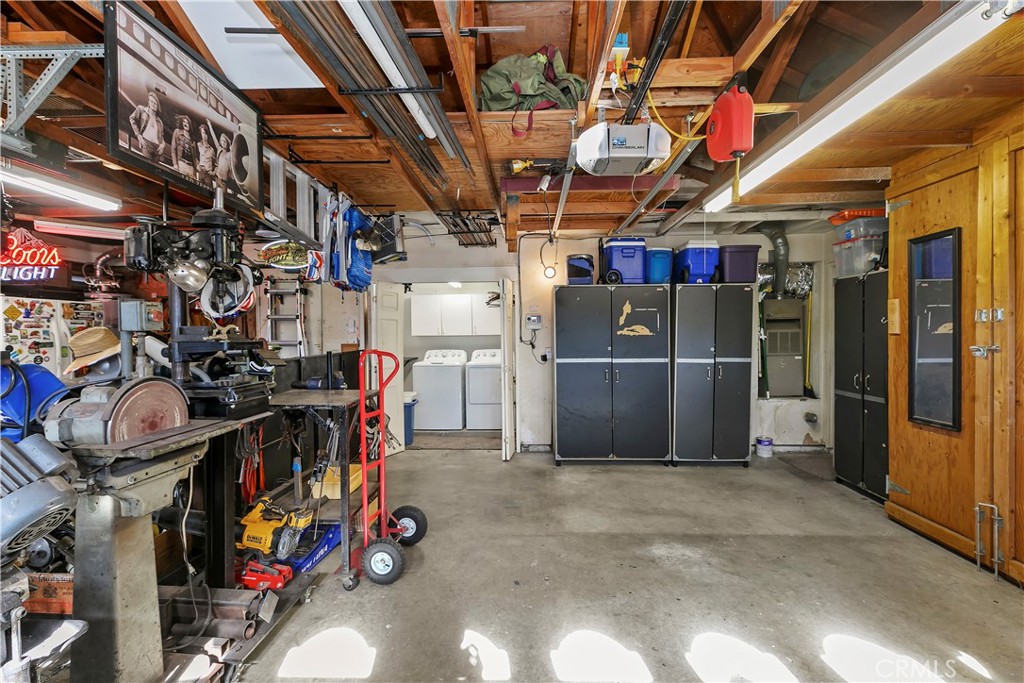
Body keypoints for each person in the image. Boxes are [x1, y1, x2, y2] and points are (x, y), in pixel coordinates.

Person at [128, 90, 166, 161]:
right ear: (148, 102)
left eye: (155, 103)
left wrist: (163, 145)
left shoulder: (159, 121)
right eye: (151, 102)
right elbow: (132, 118)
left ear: (158, 105)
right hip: (146, 143)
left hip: (157, 148)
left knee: (155, 171)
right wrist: (138, 135)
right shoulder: (142, 109)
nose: (153, 104)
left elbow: (162, 136)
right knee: (146, 166)